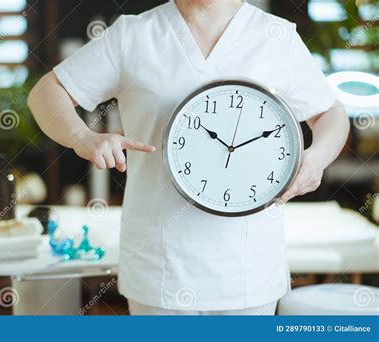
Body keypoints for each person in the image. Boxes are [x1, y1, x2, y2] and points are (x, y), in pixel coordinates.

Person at [27, 0, 350, 315]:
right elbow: (46, 93)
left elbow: (330, 114)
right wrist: (83, 137)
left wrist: (317, 157)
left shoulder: (277, 37)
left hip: (249, 272)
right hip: (159, 271)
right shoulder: (132, 35)